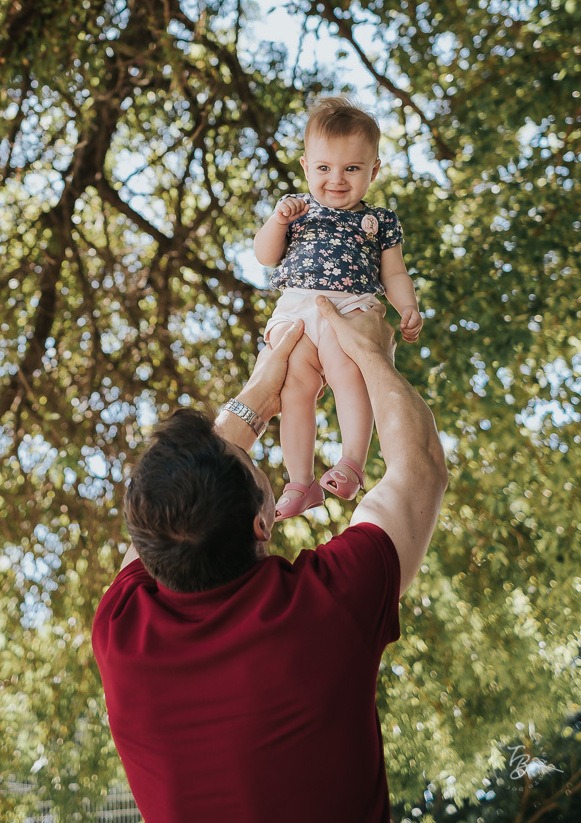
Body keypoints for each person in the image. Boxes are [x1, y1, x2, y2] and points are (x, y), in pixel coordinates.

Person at [92, 303, 448, 823]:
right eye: (252, 463)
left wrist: (264, 386)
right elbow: (421, 465)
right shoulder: (327, 607)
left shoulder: (121, 632)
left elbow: (159, 529)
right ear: (263, 524)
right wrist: (371, 352)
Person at [253, 97, 423, 518]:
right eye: (325, 168)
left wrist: (408, 306)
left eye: (352, 168)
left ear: (374, 171)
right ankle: (300, 481)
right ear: (306, 166)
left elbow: (395, 274)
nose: (337, 179)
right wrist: (277, 221)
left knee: (348, 370)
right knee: (294, 388)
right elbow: (265, 256)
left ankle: (351, 463)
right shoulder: (296, 209)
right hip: (296, 308)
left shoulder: (381, 221)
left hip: (351, 308)